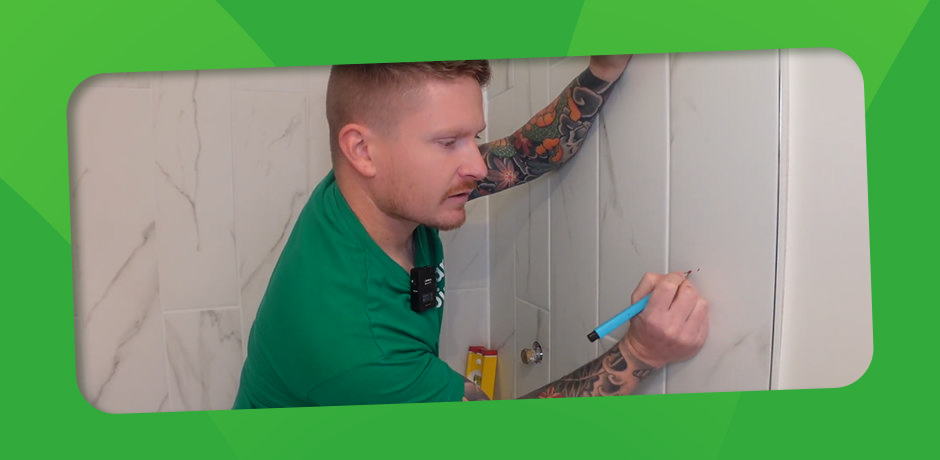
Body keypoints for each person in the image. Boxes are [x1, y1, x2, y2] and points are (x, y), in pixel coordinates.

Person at [232, 56, 709, 408]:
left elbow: (526, 155)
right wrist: (642, 351)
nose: (477, 163)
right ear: (361, 150)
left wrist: (601, 71)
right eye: (448, 142)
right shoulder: (354, 345)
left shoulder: (374, 192)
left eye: (474, 137)